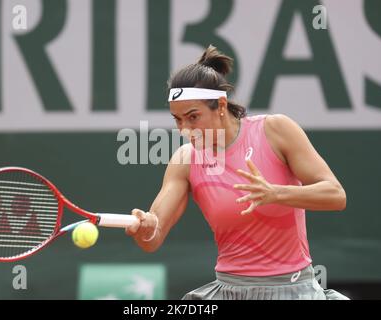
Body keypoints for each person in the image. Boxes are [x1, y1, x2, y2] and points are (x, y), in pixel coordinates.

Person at [125, 45, 349, 300]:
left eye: (193, 117)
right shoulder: (185, 160)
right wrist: (145, 228)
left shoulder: (276, 130)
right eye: (177, 120)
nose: (185, 130)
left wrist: (275, 193)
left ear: (220, 106)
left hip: (293, 289)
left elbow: (335, 195)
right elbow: (153, 236)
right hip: (228, 291)